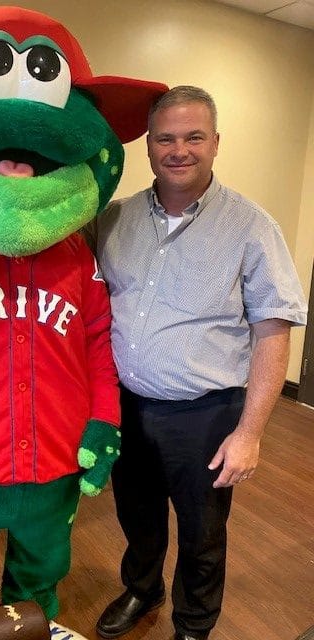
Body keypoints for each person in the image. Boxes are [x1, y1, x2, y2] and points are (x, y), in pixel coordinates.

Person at [84, 86, 307, 640]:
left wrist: (251, 432)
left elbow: (273, 330)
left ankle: (194, 623)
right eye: (166, 138)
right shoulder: (113, 219)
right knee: (137, 516)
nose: (179, 149)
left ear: (215, 143)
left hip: (206, 413)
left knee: (203, 530)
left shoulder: (253, 226)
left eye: (193, 137)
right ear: (149, 146)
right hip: (127, 404)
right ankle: (142, 589)